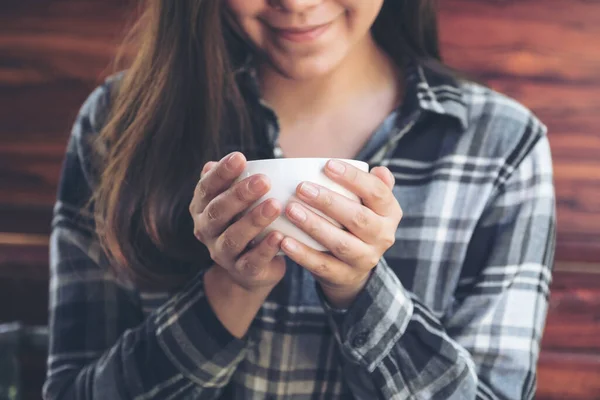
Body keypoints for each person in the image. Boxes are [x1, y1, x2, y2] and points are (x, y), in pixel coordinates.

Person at [43, 0, 556, 399]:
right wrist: (231, 288)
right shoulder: (120, 123)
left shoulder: (500, 146)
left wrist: (362, 289)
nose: (297, 3)